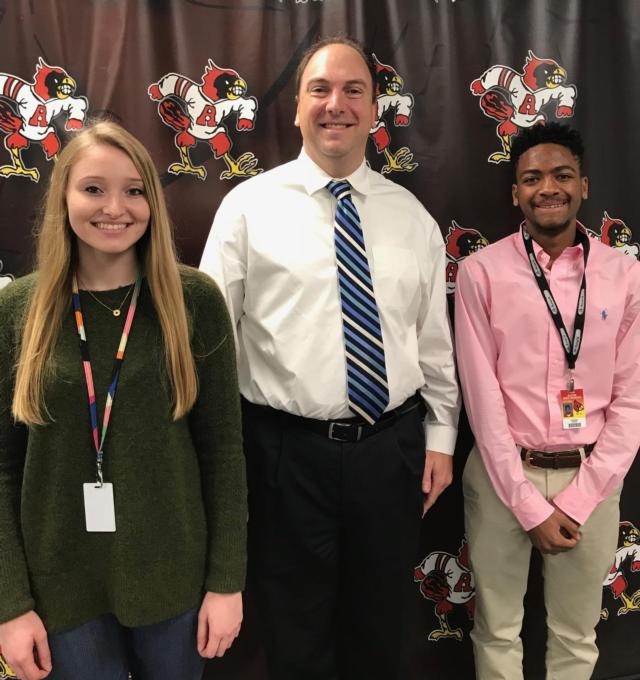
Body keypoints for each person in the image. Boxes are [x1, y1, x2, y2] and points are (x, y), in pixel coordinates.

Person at [200, 37, 459, 680]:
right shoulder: (247, 210)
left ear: (376, 110)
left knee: (380, 634)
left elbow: (432, 344)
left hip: (390, 453)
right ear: (296, 109)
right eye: (320, 89)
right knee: (294, 636)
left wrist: (443, 437)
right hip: (283, 457)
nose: (335, 104)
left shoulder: (411, 219)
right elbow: (209, 344)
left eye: (353, 91)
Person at [0, 120, 247, 680]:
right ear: (63, 195)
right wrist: (9, 605)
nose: (116, 207)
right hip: (60, 588)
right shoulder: (19, 309)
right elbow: (3, 467)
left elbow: (224, 455)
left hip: (174, 584)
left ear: (153, 202)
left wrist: (226, 582)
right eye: (93, 188)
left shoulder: (193, 300)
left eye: (134, 190)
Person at [455, 123, 640, 680]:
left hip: (593, 478)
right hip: (500, 475)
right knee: (496, 632)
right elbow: (482, 400)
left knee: (576, 637)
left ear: (582, 185)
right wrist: (528, 505)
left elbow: (631, 403)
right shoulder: (480, 272)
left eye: (561, 175)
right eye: (531, 178)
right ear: (516, 194)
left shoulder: (625, 273)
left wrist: (580, 498)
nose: (547, 188)